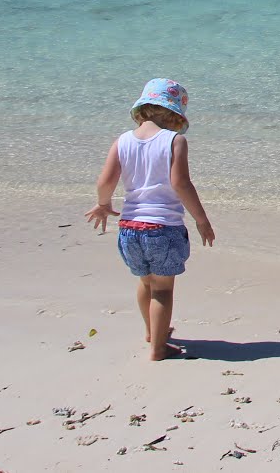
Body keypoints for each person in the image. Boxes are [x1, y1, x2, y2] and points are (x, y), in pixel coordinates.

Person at [85, 78, 216, 360]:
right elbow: (180, 183)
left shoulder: (122, 141)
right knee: (163, 290)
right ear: (173, 114)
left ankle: (151, 332)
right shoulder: (174, 141)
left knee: (145, 283)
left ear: (143, 108)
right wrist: (201, 219)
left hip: (129, 229)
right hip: (162, 229)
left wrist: (103, 205)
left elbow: (105, 181)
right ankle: (158, 348)